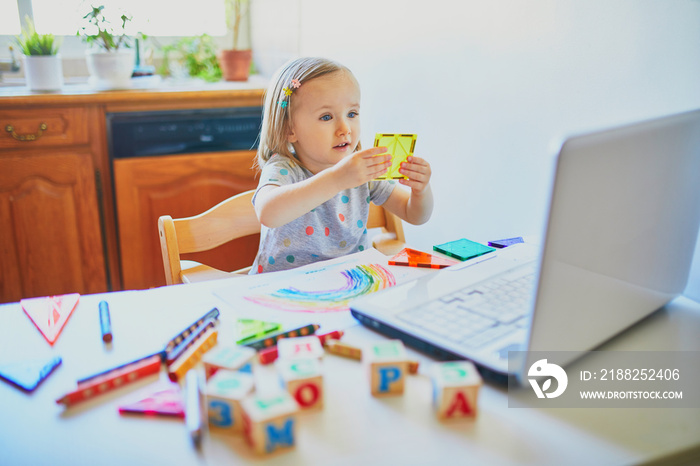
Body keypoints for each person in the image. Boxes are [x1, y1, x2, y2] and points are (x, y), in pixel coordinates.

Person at [251, 57, 433, 274]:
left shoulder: (361, 171)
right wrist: (338, 178)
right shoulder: (283, 169)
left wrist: (421, 191)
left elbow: (414, 215)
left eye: (352, 114)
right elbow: (268, 213)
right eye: (326, 117)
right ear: (290, 129)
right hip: (286, 291)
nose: (345, 128)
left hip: (351, 283)